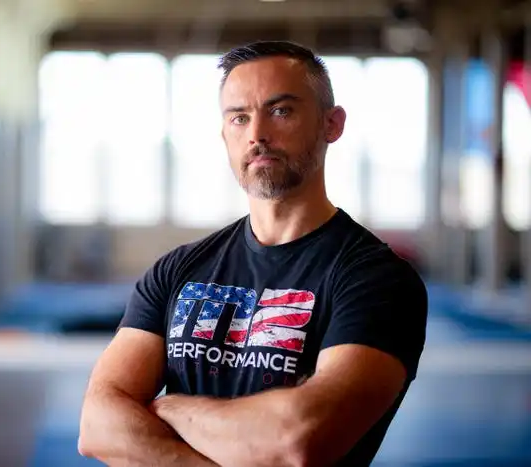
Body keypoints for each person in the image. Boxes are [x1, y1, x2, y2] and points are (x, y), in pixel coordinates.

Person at [78, 40, 428, 467]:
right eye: (239, 117)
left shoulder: (377, 280)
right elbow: (97, 425)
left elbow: (298, 439)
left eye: (281, 111)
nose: (257, 134)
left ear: (331, 124)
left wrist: (171, 408)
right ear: (224, 133)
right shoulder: (177, 270)